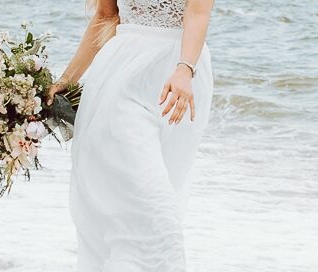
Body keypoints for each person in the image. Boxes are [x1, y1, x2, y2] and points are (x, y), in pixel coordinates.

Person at [46, 0, 215, 270]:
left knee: (156, 198)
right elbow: (106, 15)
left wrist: (184, 70)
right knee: (155, 209)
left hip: (180, 81)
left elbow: (198, 13)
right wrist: (65, 81)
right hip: (122, 77)